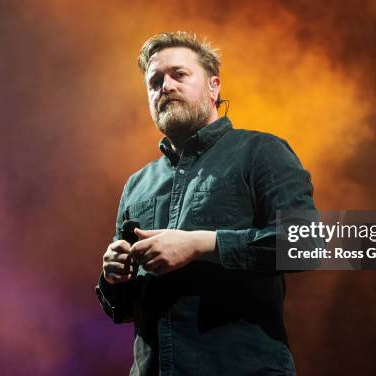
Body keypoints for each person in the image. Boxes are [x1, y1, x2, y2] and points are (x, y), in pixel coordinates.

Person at [96, 32, 315, 375]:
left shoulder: (261, 152)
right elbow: (122, 311)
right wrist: (114, 278)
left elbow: (306, 244)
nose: (165, 87)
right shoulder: (137, 184)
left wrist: (201, 244)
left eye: (179, 75)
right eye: (154, 82)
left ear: (214, 87)